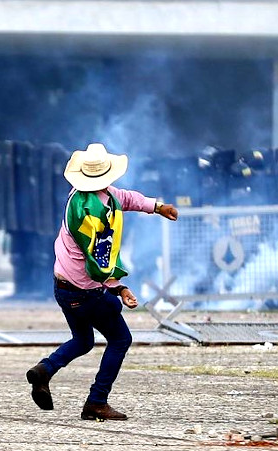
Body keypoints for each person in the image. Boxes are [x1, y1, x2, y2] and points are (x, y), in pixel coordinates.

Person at [25, 143, 179, 421]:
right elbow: (99, 263)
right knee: (121, 338)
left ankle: (44, 370)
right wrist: (119, 288)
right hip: (85, 291)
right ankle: (96, 401)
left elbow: (126, 198)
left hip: (63, 286)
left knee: (83, 340)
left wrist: (156, 206)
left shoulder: (84, 195)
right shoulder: (90, 216)